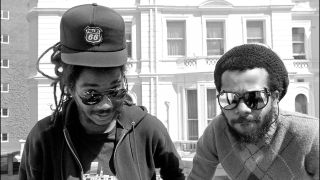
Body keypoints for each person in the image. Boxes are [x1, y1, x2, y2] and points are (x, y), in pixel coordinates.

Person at [19, 4, 185, 180]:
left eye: (115, 91)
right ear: (70, 87)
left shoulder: (149, 130)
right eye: (91, 94)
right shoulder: (43, 139)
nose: (105, 104)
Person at [187, 44, 319, 180]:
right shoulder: (216, 131)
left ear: (274, 98)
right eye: (229, 98)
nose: (242, 109)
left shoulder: (311, 134)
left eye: (254, 98)